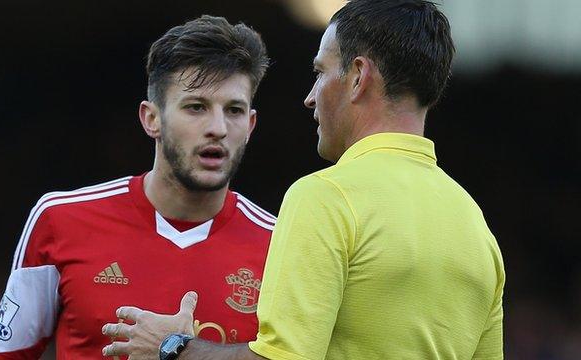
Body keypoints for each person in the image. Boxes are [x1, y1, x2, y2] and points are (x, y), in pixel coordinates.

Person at [101, 1, 505, 359]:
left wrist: (174, 347)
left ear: (358, 76)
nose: (310, 97)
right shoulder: (477, 229)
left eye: (320, 72)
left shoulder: (326, 197)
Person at [0, 15, 274, 359]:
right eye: (196, 107)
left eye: (234, 110)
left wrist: (181, 352)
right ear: (152, 118)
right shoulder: (59, 221)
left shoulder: (281, 244)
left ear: (250, 125)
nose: (218, 128)